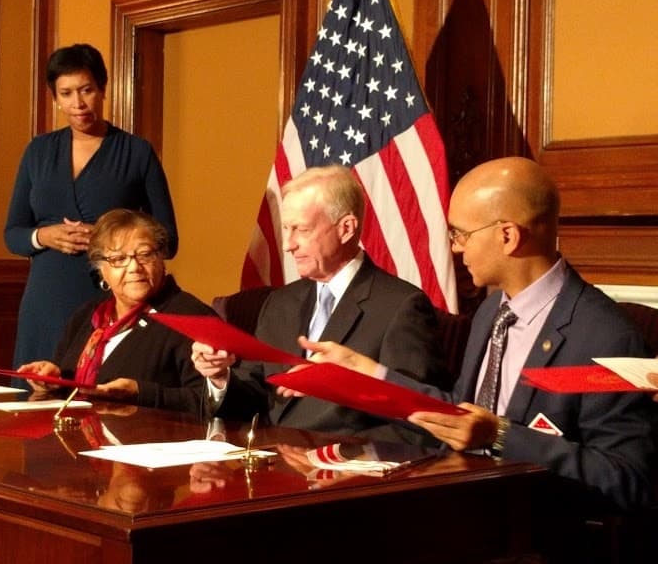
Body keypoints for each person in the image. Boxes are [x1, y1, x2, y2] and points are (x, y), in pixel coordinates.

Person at [300, 157, 656, 513]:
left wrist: (502, 437)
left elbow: (628, 479)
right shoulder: (492, 311)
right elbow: (462, 415)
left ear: (508, 236)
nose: (455, 247)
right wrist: (369, 375)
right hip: (463, 509)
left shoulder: (606, 335)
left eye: (461, 234)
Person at [191, 164, 448, 440]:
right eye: (286, 229)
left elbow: (416, 420)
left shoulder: (401, 306)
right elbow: (257, 394)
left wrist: (337, 459)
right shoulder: (280, 301)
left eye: (301, 229)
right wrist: (220, 377)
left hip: (346, 471)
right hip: (273, 464)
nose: (289, 244)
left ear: (346, 228)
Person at [5, 43, 178, 380]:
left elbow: (168, 239)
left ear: (102, 89)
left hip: (107, 296)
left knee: (95, 397)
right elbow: (13, 234)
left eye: (86, 90)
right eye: (66, 93)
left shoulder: (136, 151)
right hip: (45, 295)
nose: (78, 103)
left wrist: (114, 235)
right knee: (35, 397)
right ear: (54, 96)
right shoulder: (38, 151)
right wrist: (44, 236)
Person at [18, 209, 211, 414]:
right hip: (77, 438)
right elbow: (75, 392)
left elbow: (211, 402)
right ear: (101, 269)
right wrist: (54, 380)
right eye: (118, 259)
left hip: (149, 442)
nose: (134, 267)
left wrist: (141, 393)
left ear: (161, 258)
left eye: (144, 254)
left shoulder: (192, 317)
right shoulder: (88, 315)